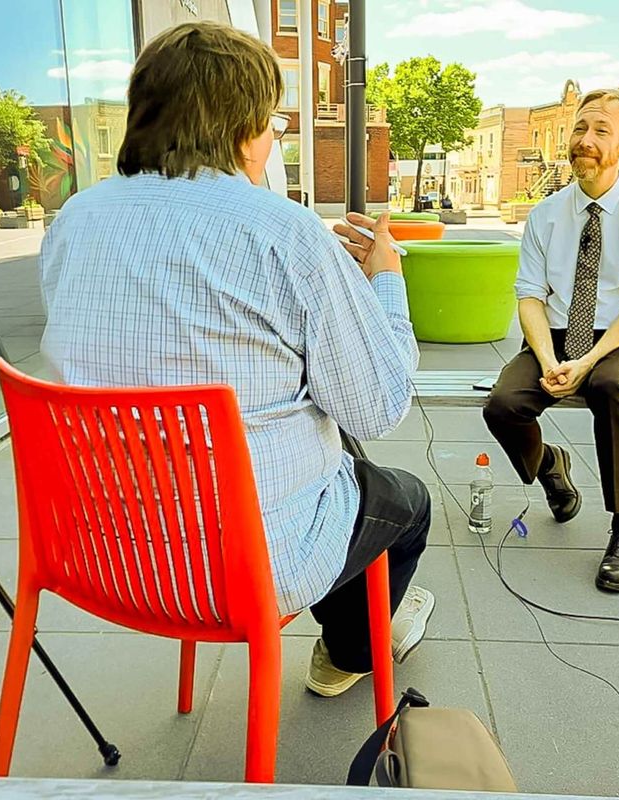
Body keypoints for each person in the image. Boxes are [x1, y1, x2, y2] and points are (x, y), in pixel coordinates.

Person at [39, 22, 435, 696]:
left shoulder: (75, 217)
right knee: (406, 501)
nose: (273, 139)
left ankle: (357, 627)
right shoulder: (281, 229)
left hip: (104, 553)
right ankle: (351, 651)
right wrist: (384, 280)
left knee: (331, 441)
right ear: (243, 124)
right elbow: (381, 403)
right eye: (273, 123)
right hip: (239, 567)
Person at [481, 88, 619, 593]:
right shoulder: (545, 215)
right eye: (580, 129)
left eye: (601, 131)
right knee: (503, 403)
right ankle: (550, 465)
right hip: (558, 333)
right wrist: (548, 358)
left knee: (612, 386)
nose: (585, 141)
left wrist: (586, 362)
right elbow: (529, 297)